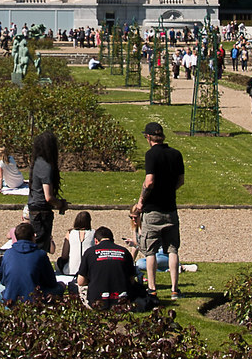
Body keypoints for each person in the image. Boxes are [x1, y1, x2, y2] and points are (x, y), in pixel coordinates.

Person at [133, 121, 184, 300]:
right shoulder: (176, 154)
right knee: (172, 250)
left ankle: (152, 288)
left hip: (153, 209)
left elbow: (149, 181)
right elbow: (180, 181)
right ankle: (174, 289)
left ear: (148, 137)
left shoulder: (151, 155)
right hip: (170, 208)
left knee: (151, 251)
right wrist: (169, 190)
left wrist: (140, 202)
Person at [0, 222, 63, 303]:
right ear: (33, 237)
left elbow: (3, 280)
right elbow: (51, 282)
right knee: (60, 287)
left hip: (10, 299)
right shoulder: (40, 255)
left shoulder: (8, 254)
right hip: (34, 299)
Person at [77, 226, 138, 309]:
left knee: (75, 286)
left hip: (96, 302)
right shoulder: (124, 251)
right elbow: (131, 280)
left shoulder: (90, 252)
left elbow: (81, 281)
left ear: (95, 241)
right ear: (113, 240)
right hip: (122, 300)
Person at [27, 130, 68, 252]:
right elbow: (48, 196)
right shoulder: (46, 166)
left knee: (36, 244)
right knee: (40, 246)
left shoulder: (37, 162)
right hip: (41, 210)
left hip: (35, 207)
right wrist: (60, 204)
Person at [58, 210, 95, 275]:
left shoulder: (70, 233)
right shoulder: (94, 233)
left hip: (71, 270)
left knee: (60, 261)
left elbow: (64, 255)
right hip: (89, 271)